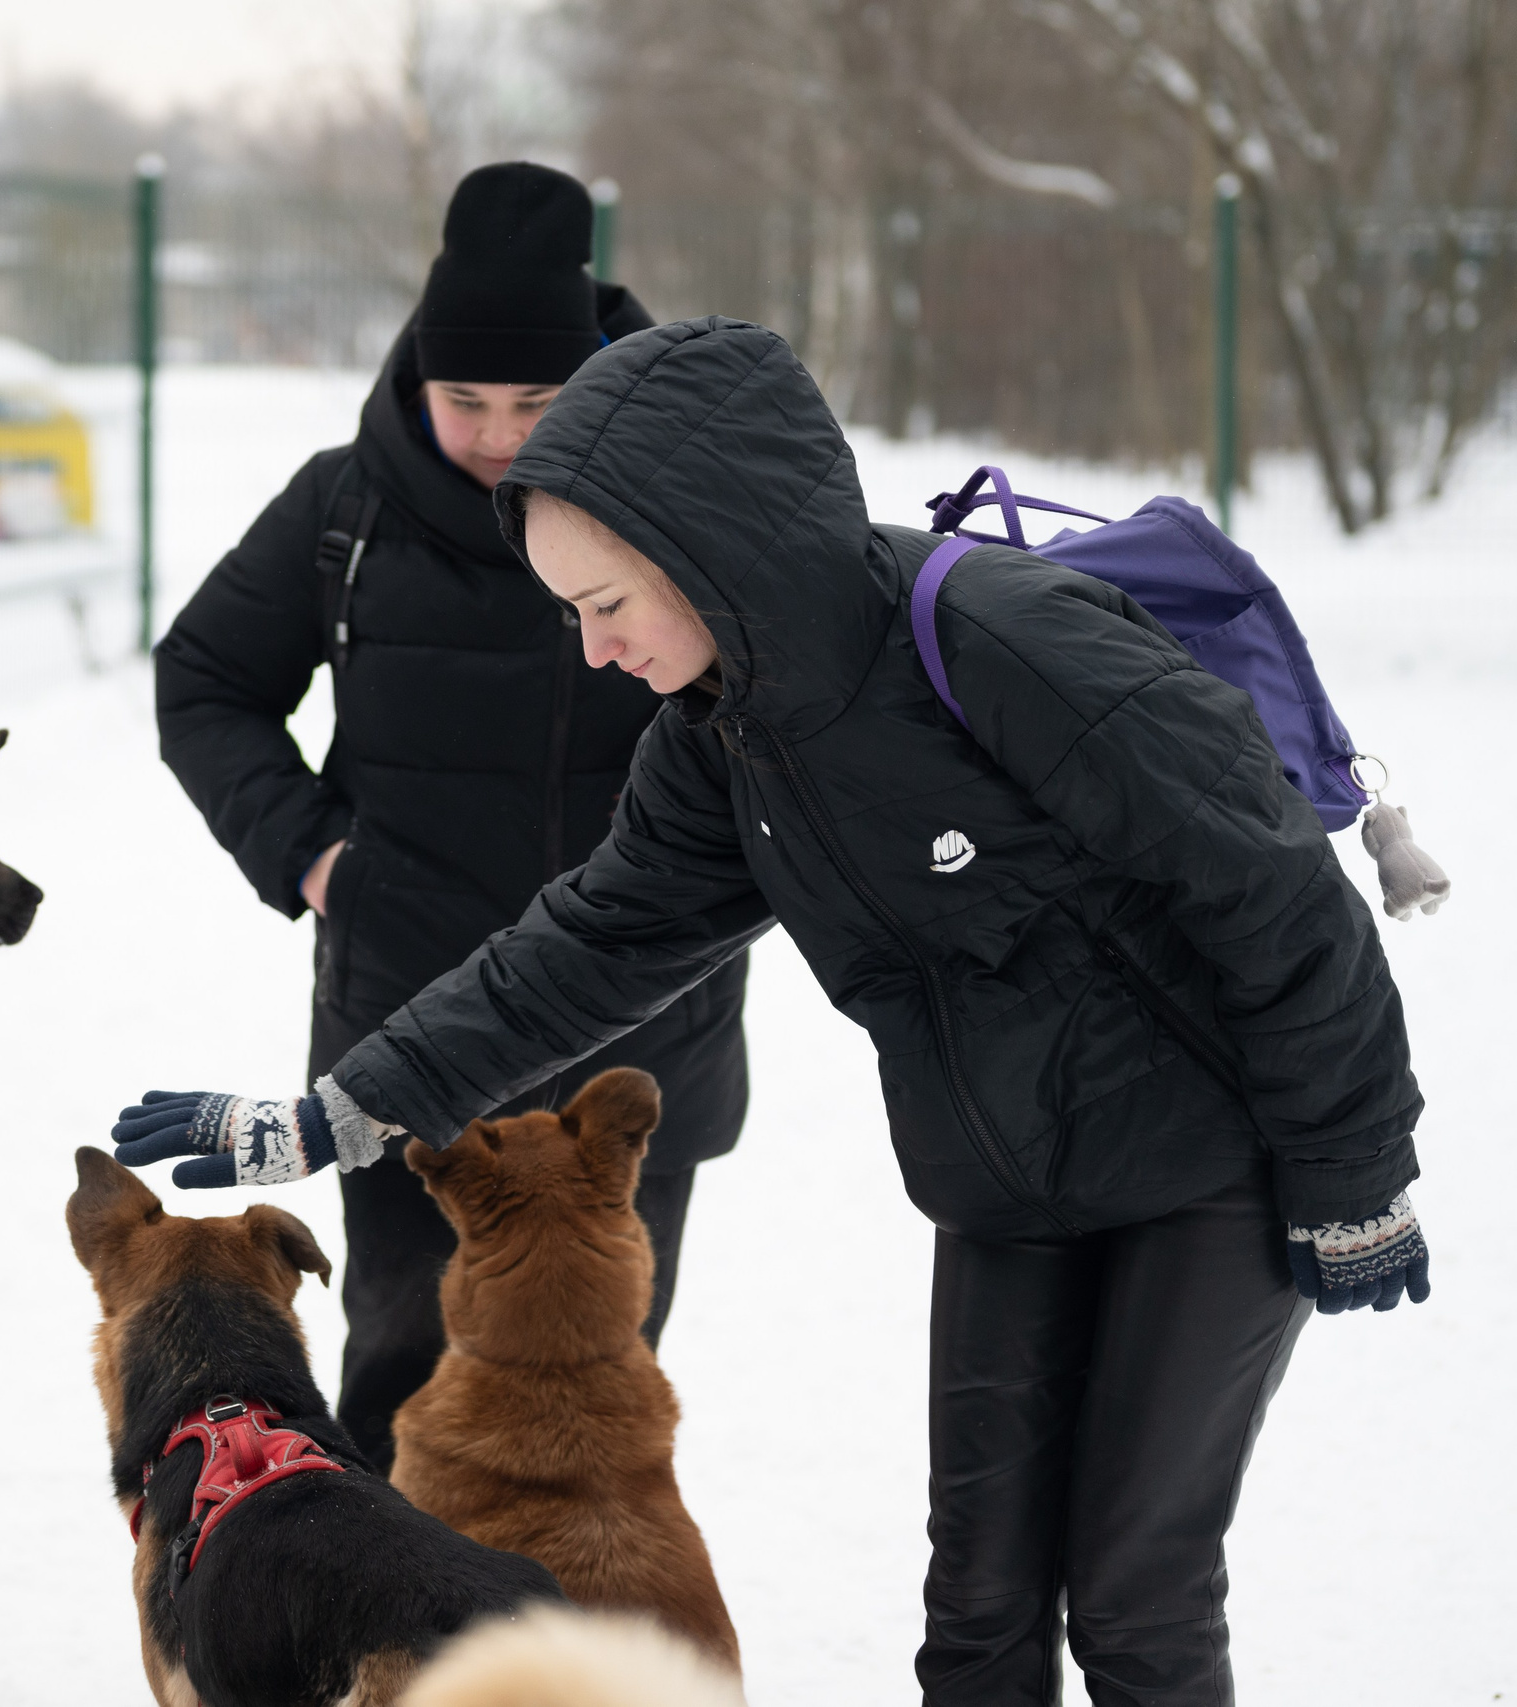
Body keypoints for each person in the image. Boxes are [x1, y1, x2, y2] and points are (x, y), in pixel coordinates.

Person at [115, 316, 1431, 1705]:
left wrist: (1353, 1167)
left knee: (1135, 1595)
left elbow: (1273, 889)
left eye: (607, 605)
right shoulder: (724, 736)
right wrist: (341, 1111)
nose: (593, 651)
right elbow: (587, 943)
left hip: (1211, 1163)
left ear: (707, 551)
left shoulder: (1001, 642)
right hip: (1006, 1185)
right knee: (978, 1608)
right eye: (572, 615)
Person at [149, 163, 750, 1472]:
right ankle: (383, 1606)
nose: (495, 434)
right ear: (419, 369)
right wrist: (316, 857)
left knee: (593, 1393)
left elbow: (779, 701)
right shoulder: (344, 509)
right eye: (464, 399)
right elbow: (203, 681)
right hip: (405, 1019)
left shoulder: (686, 509)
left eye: (537, 403)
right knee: (406, 1386)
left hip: (635, 1037)